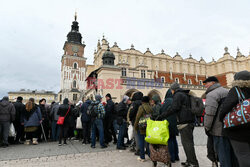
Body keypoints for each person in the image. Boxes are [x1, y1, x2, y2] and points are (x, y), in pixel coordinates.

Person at [219, 70, 250, 167]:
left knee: (243, 155)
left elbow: (225, 108)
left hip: (239, 129)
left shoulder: (236, 90)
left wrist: (222, 119)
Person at [203, 76, 235, 167]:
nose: (205, 86)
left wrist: (207, 127)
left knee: (222, 156)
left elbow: (209, 113)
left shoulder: (212, 94)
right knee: (231, 155)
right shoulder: (227, 91)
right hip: (228, 127)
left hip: (218, 130)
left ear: (213, 83)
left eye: (207, 83)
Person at [170, 82, 199, 167]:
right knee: (188, 143)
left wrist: (163, 115)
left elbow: (174, 108)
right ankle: (189, 160)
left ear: (173, 89)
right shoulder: (184, 94)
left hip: (185, 122)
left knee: (187, 144)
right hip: (189, 121)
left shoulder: (178, 95)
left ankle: (193, 163)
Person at [158, 89, 179, 163]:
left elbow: (161, 112)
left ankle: (171, 157)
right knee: (174, 139)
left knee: (169, 140)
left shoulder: (166, 102)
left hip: (167, 124)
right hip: (175, 123)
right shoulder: (174, 101)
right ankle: (176, 156)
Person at [134, 96, 153, 162]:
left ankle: (142, 157)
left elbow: (138, 117)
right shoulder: (150, 107)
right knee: (148, 141)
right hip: (148, 126)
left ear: (142, 101)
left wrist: (135, 126)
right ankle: (150, 155)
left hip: (142, 127)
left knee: (141, 141)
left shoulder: (141, 107)